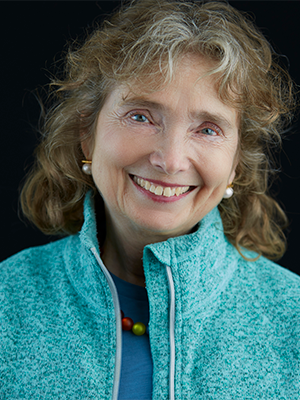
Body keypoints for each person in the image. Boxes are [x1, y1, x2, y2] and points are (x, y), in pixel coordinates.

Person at [1, 0, 299, 398]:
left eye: (208, 129)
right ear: (86, 134)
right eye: (141, 116)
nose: (171, 160)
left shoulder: (292, 318)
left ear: (235, 166)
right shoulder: (8, 300)